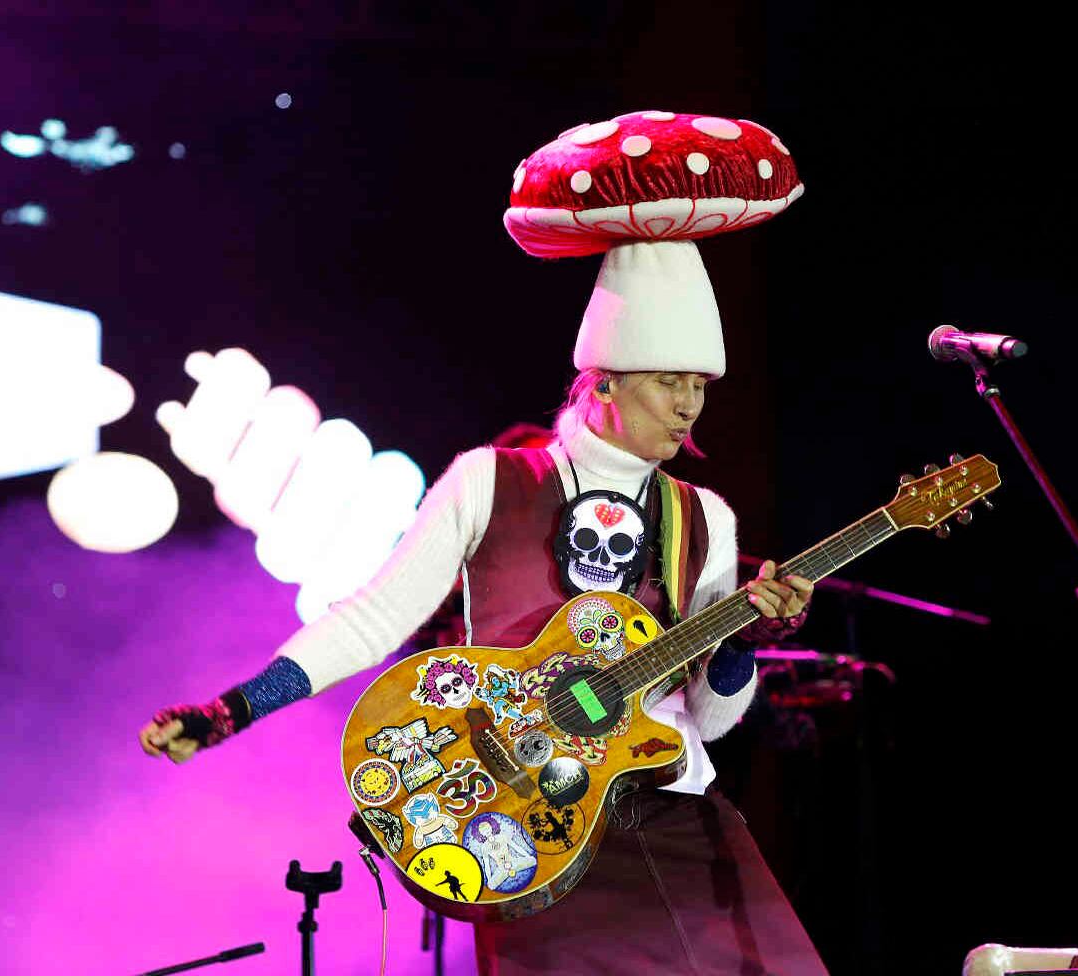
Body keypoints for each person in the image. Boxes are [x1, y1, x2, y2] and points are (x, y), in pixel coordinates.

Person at [141, 109, 828, 974]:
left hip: (678, 812)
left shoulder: (705, 517)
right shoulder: (489, 482)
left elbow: (713, 719)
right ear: (606, 381)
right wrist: (233, 708)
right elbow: (370, 620)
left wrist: (738, 645)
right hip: (523, 822)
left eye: (699, 385)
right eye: (668, 382)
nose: (690, 406)